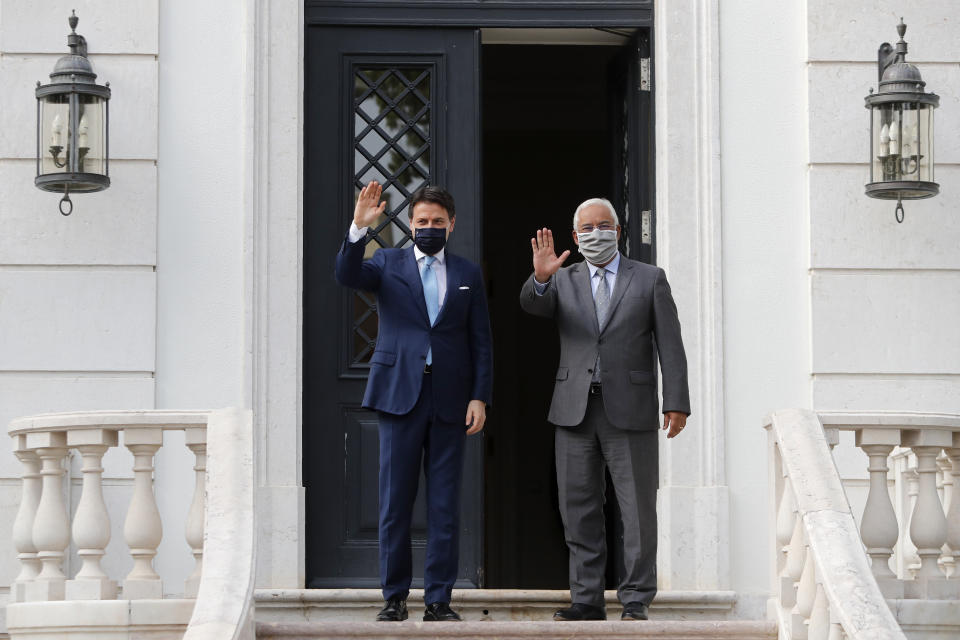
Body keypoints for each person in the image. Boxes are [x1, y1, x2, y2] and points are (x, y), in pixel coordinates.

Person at [519, 197, 690, 622]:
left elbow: (671, 344)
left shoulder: (649, 279)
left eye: (605, 225)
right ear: (576, 238)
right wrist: (540, 279)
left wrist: (677, 402)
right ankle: (587, 599)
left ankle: (635, 599)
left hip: (630, 410)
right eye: (588, 228)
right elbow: (533, 307)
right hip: (574, 411)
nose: (598, 233)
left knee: (636, 510)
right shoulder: (563, 278)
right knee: (578, 509)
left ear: (619, 230)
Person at [335, 181, 492, 622]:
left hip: (451, 400)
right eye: (422, 221)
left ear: (451, 224)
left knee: (444, 504)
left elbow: (481, 340)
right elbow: (346, 276)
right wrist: (357, 229)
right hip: (398, 394)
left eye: (437, 222)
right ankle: (395, 597)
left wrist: (480, 396)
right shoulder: (386, 262)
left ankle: (439, 599)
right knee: (395, 502)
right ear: (409, 223)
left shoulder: (467, 274)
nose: (428, 228)